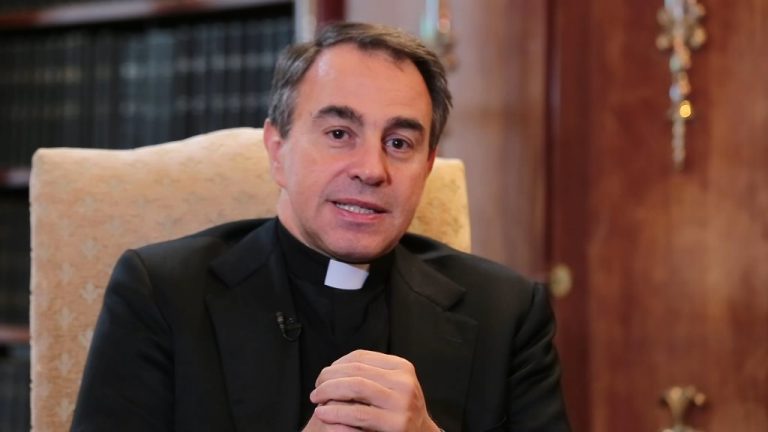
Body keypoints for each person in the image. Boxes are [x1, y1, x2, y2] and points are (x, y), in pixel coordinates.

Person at [71, 22, 570, 431]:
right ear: (278, 151)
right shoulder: (162, 293)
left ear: (427, 166)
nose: (371, 169)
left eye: (399, 143)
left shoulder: (507, 312)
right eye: (338, 133)